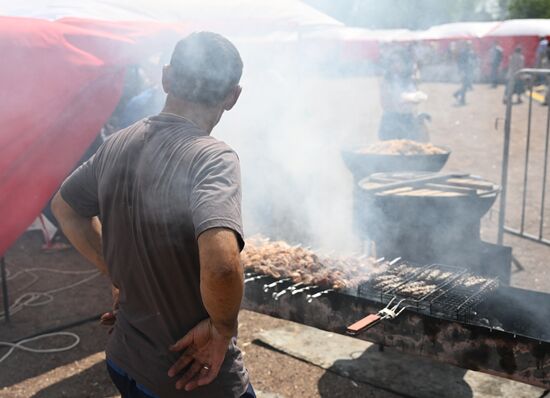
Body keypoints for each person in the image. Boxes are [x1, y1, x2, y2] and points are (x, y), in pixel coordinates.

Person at [52, 32, 254, 398]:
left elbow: (64, 208)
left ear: (165, 77)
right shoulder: (213, 157)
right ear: (232, 96)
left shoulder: (117, 143)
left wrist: (113, 272)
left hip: (124, 362)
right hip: (188, 378)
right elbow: (223, 266)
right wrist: (222, 328)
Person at [378, 51, 429, 142]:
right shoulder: (387, 81)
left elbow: (416, 98)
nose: (394, 64)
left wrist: (415, 101)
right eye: (392, 61)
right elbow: (385, 104)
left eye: (398, 61)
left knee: (411, 152)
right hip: (391, 122)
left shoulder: (410, 79)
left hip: (409, 120)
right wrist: (401, 101)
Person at [453, 41, 475, 105]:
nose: (469, 46)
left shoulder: (471, 52)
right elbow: (460, 63)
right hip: (465, 72)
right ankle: (462, 99)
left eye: (470, 45)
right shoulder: (463, 52)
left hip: (469, 71)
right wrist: (461, 71)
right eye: (468, 45)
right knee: (465, 86)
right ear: (466, 46)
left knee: (466, 86)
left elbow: (472, 62)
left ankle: (456, 94)